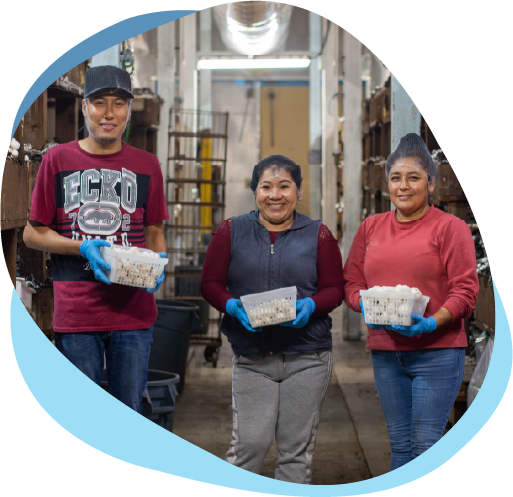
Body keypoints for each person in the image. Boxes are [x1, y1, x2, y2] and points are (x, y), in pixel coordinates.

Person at [23, 65, 169, 413]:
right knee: (81, 418)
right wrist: (81, 247)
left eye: (118, 104)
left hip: (133, 312)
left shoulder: (147, 164)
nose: (109, 113)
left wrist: (159, 264)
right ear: (85, 106)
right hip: (77, 314)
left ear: (128, 110)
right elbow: (32, 233)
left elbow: (154, 231)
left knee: (127, 413)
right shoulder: (57, 160)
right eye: (99, 102)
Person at [201, 154, 344, 484]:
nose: (275, 195)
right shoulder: (230, 231)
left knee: (296, 452)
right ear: (254, 190)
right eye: (266, 186)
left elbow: (335, 288)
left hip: (308, 357)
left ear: (299, 191)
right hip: (252, 357)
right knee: (249, 445)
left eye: (285, 186)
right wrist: (231, 306)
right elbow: (210, 283)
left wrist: (311, 306)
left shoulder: (319, 234)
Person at [343, 133, 478, 470]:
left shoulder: (451, 228)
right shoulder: (370, 228)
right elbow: (352, 282)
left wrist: (432, 322)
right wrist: (366, 305)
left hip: (437, 352)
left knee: (426, 448)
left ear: (430, 183)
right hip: (387, 353)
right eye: (395, 178)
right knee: (401, 447)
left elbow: (464, 292)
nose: (403, 186)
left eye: (413, 177)